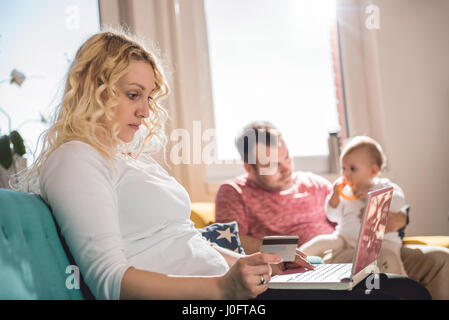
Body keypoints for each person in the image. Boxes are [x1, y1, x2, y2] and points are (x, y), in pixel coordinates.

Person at [14, 30, 307, 300]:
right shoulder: (76, 158)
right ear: (96, 90)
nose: (145, 111)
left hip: (226, 292)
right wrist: (222, 287)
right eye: (133, 95)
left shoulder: (132, 160)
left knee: (344, 286)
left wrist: (260, 266)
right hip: (211, 299)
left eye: (149, 97)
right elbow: (110, 281)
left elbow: (188, 241)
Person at [215, 121, 449, 299]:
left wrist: (398, 220)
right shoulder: (234, 192)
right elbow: (231, 243)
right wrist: (290, 253)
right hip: (316, 263)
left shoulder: (315, 184)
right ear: (249, 167)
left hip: (357, 248)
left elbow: (352, 214)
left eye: (286, 157)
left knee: (440, 261)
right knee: (384, 269)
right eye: (272, 165)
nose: (286, 168)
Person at [299, 136, 408, 276]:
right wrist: (334, 199)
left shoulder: (384, 186)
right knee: (321, 241)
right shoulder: (345, 191)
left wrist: (373, 196)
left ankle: (404, 286)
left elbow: (399, 201)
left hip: (380, 242)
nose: (346, 174)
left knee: (390, 260)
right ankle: (296, 259)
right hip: (345, 238)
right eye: (343, 169)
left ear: (373, 171)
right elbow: (333, 216)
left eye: (352, 169)